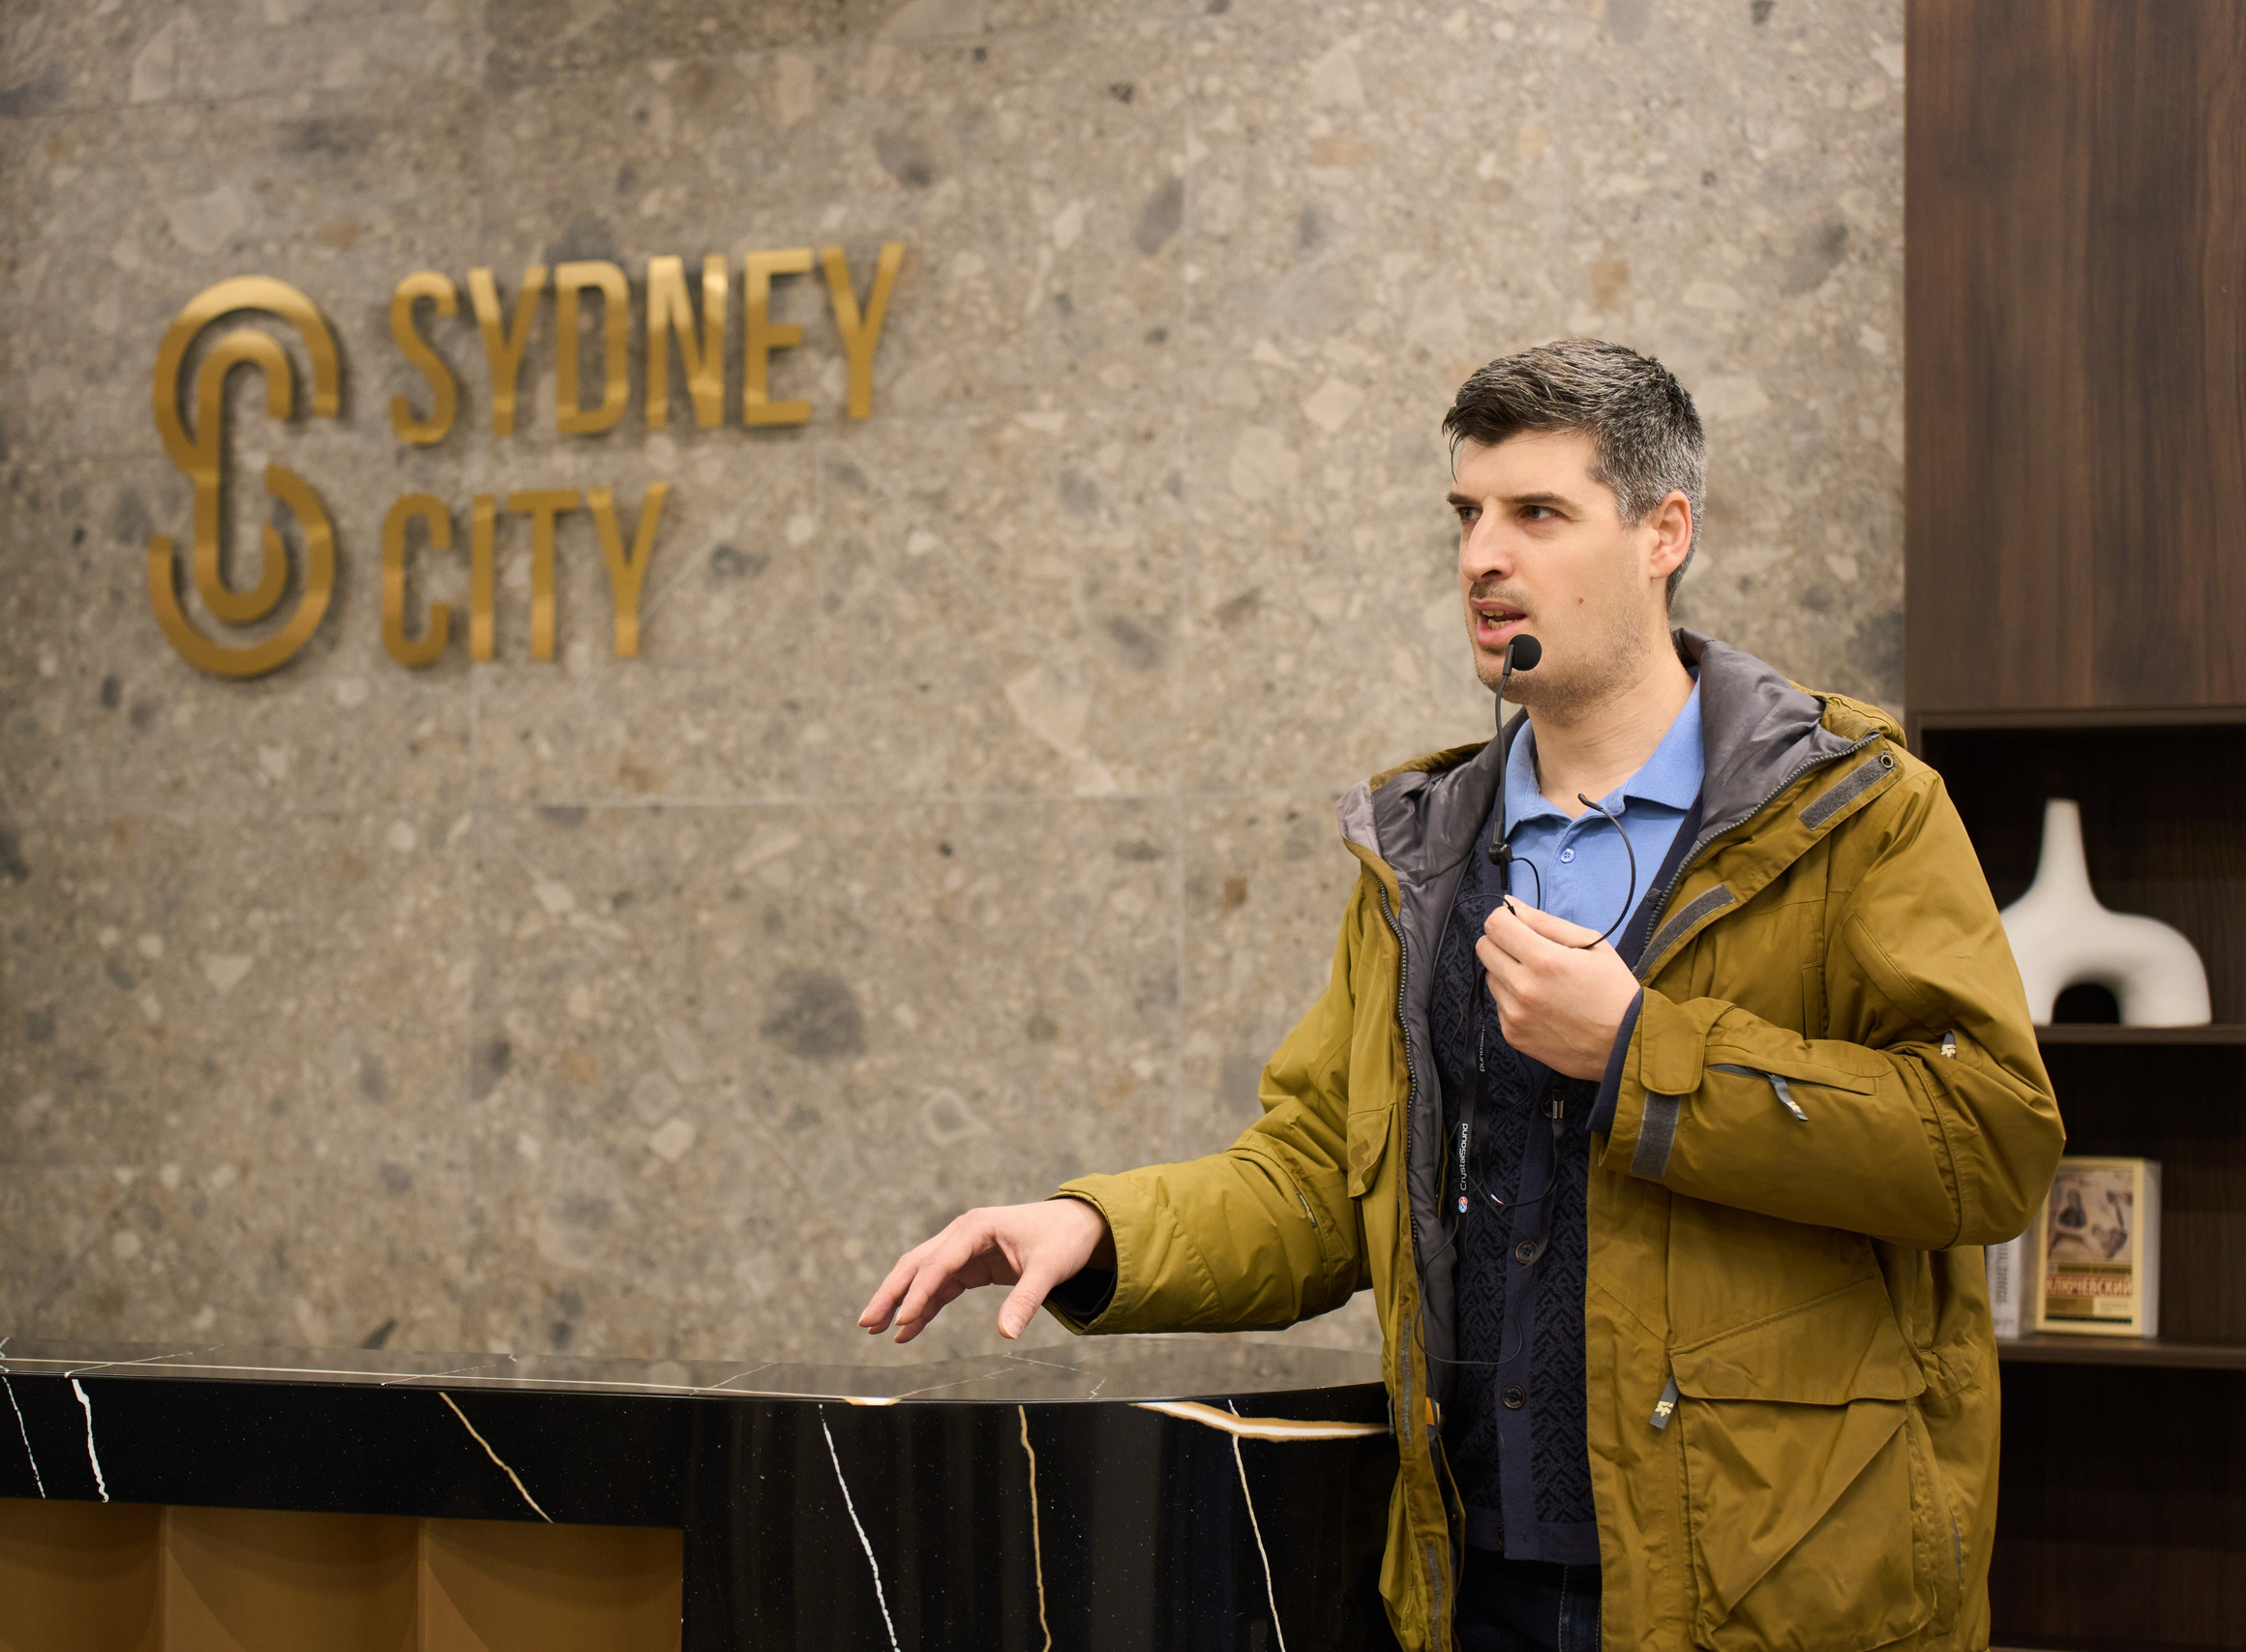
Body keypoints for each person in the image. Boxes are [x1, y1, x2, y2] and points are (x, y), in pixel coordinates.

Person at [861, 339, 2064, 1652]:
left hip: (1774, 1593)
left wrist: (1639, 1054)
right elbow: (1327, 1175)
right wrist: (1099, 1231)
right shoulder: (1425, 853)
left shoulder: (1856, 815)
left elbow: (1988, 1144)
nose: (1483, 556)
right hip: (1464, 1583)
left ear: (1664, 532)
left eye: (1538, 514)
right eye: (1467, 514)